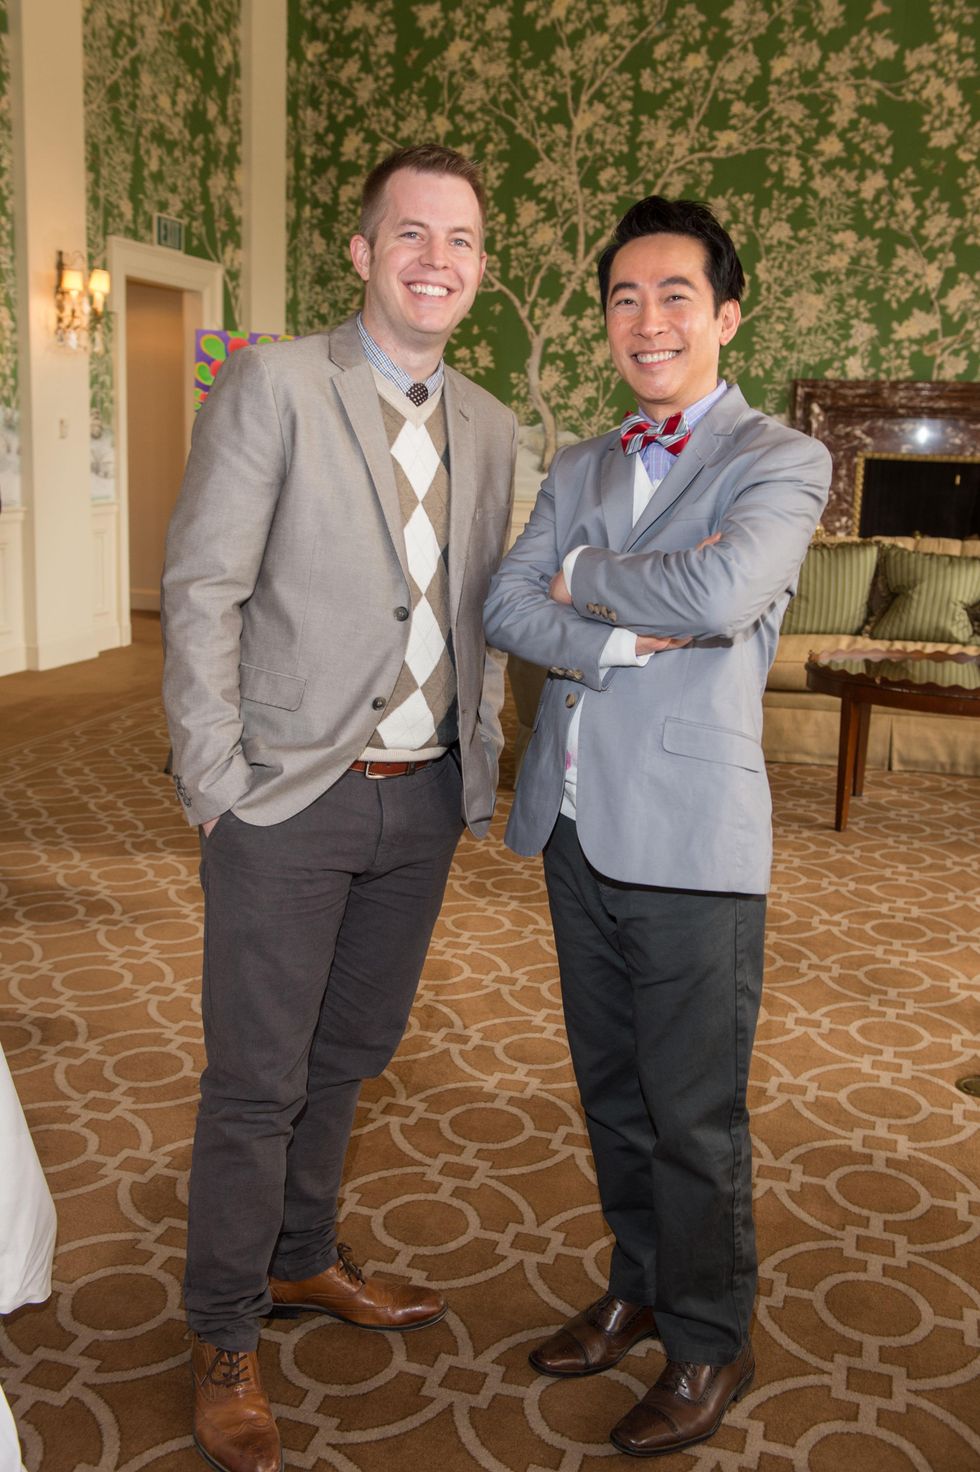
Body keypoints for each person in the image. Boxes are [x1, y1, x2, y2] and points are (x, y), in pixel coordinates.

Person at [162, 143, 517, 1472]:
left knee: (350, 1055)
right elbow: (202, 588)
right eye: (411, 233)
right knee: (255, 1079)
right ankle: (224, 1332)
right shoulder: (274, 384)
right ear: (363, 254)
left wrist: (477, 764)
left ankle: (305, 1256)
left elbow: (476, 614)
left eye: (464, 238)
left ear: (482, 267)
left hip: (421, 804)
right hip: (286, 799)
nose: (438, 257)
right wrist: (214, 784)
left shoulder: (488, 423)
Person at [484, 196, 831, 1457]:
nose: (646, 319)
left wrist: (579, 579)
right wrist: (620, 620)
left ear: (723, 312)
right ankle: (635, 1283)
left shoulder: (778, 459)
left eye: (673, 294)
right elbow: (506, 606)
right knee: (612, 1092)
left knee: (693, 1112)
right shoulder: (578, 463)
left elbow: (727, 587)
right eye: (623, 297)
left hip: (689, 833)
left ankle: (706, 1337)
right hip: (572, 824)